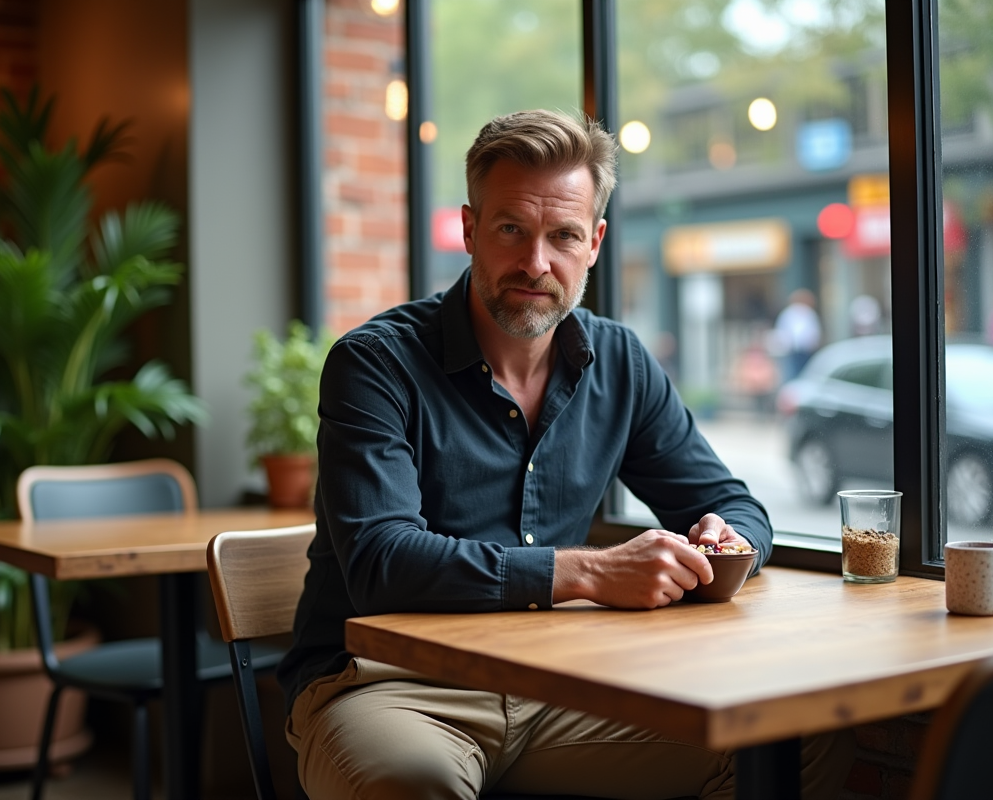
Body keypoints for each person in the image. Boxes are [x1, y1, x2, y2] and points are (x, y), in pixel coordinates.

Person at [277, 109, 854, 800]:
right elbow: (382, 560)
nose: (535, 263)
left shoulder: (619, 362)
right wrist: (586, 574)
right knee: (411, 783)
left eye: (563, 235)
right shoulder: (376, 365)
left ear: (595, 242)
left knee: (793, 738)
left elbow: (733, 505)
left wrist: (725, 540)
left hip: (560, 685)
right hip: (389, 686)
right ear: (469, 230)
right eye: (511, 229)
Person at [773, 288, 822, 381]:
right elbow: (783, 331)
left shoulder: (809, 313)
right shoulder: (788, 313)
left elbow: (813, 332)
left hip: (807, 349)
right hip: (792, 349)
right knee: (792, 372)